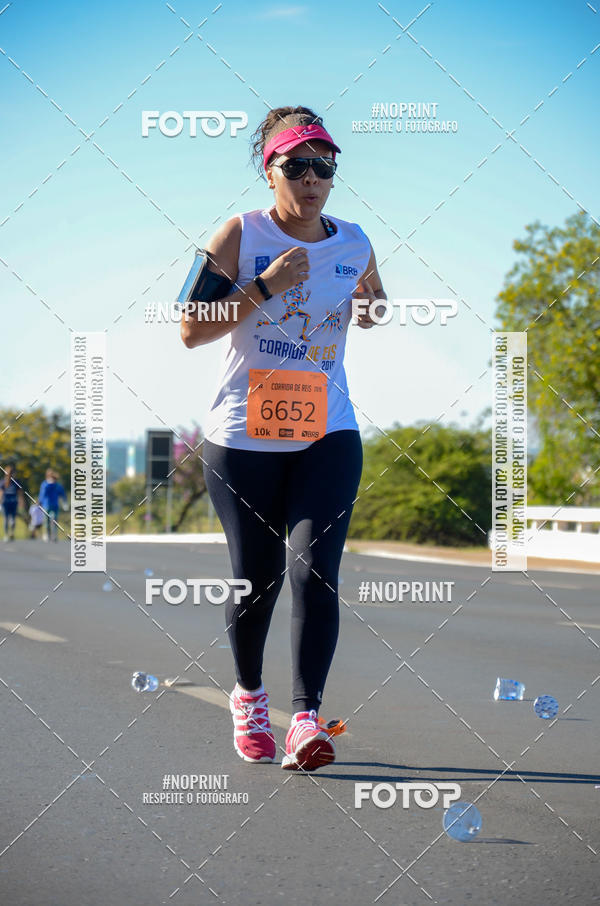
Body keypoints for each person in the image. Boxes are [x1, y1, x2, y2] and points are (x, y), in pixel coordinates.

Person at [180, 106, 386, 771]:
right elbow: (190, 326)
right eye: (296, 164)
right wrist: (264, 287)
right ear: (269, 170)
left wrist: (370, 307)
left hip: (328, 428)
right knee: (257, 579)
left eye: (323, 164)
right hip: (243, 437)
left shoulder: (354, 240)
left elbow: (374, 305)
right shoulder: (238, 235)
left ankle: (304, 719)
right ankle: (247, 695)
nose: (311, 177)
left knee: (316, 571)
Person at [38, 469, 67, 542]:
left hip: (55, 505)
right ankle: (48, 535)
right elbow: (42, 493)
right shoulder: (45, 484)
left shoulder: (57, 485)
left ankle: (54, 536)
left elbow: (62, 493)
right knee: (47, 521)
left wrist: (64, 502)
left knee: (55, 520)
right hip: (46, 505)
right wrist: (40, 502)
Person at [1, 464, 24, 541]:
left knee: (12, 520)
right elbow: (1, 492)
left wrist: (21, 501)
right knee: (7, 519)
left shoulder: (16, 482)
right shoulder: (3, 482)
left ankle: (11, 533)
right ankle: (7, 534)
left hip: (13, 502)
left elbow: (19, 492)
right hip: (5, 503)